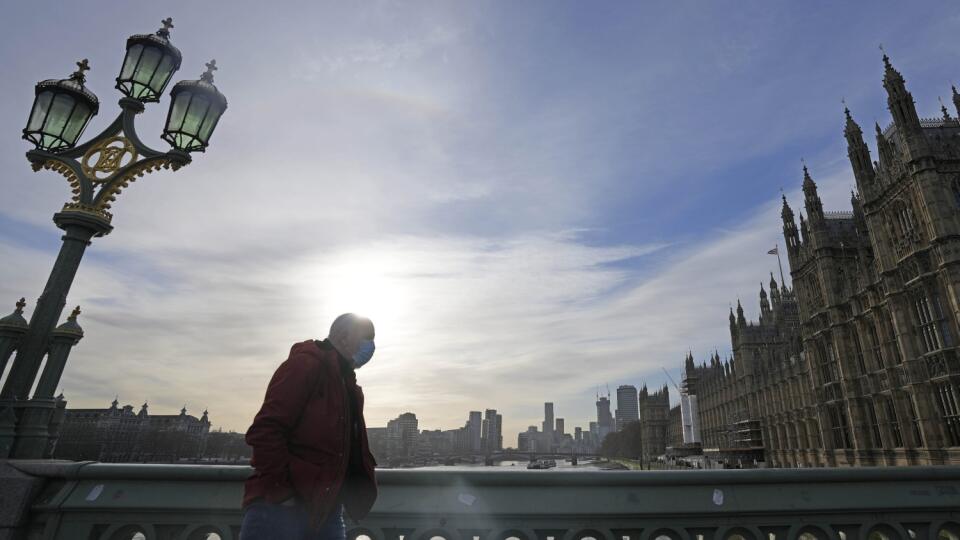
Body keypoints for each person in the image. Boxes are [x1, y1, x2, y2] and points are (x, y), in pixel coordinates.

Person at [240, 313, 378, 540]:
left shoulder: (347, 384)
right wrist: (284, 492)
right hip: (281, 511)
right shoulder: (305, 365)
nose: (371, 347)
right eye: (367, 339)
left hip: (326, 510)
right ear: (343, 337)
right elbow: (266, 431)